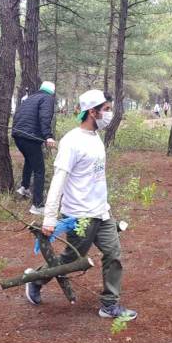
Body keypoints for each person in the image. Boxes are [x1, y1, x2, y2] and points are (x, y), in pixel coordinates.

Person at [24, 89, 137, 321]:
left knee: (113, 254)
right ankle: (35, 280)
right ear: (92, 112)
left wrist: (105, 208)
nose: (109, 114)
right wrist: (50, 217)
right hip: (80, 216)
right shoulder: (71, 142)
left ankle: (109, 305)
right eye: (105, 109)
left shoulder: (95, 138)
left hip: (101, 212)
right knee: (71, 261)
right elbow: (58, 180)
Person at [12, 81, 57, 215]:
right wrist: (48, 136)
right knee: (39, 170)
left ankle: (24, 187)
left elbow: (18, 115)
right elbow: (45, 117)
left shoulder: (31, 98)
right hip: (29, 137)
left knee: (30, 161)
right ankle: (37, 205)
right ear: (52, 92)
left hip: (18, 135)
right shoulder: (47, 98)